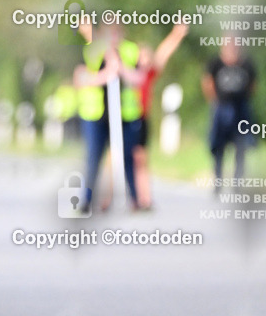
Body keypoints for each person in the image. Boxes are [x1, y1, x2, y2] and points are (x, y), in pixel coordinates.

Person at [74, 20, 146, 211]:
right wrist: (104, 75)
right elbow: (80, 78)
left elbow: (140, 78)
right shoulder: (92, 50)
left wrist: (120, 68)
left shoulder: (130, 51)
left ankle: (134, 199)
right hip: (95, 114)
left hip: (126, 115)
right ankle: (87, 200)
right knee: (93, 157)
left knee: (128, 157)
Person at [132, 23, 189, 208]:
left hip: (142, 118)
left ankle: (145, 198)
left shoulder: (149, 73)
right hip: (126, 118)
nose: (147, 60)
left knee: (142, 160)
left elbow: (163, 53)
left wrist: (176, 35)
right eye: (144, 57)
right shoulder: (129, 73)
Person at [202, 38, 256, 185]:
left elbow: (253, 85)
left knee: (241, 146)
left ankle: (237, 182)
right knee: (217, 146)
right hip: (221, 107)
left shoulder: (246, 64)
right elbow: (207, 82)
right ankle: (218, 180)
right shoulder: (216, 63)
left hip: (240, 108)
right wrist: (215, 101)